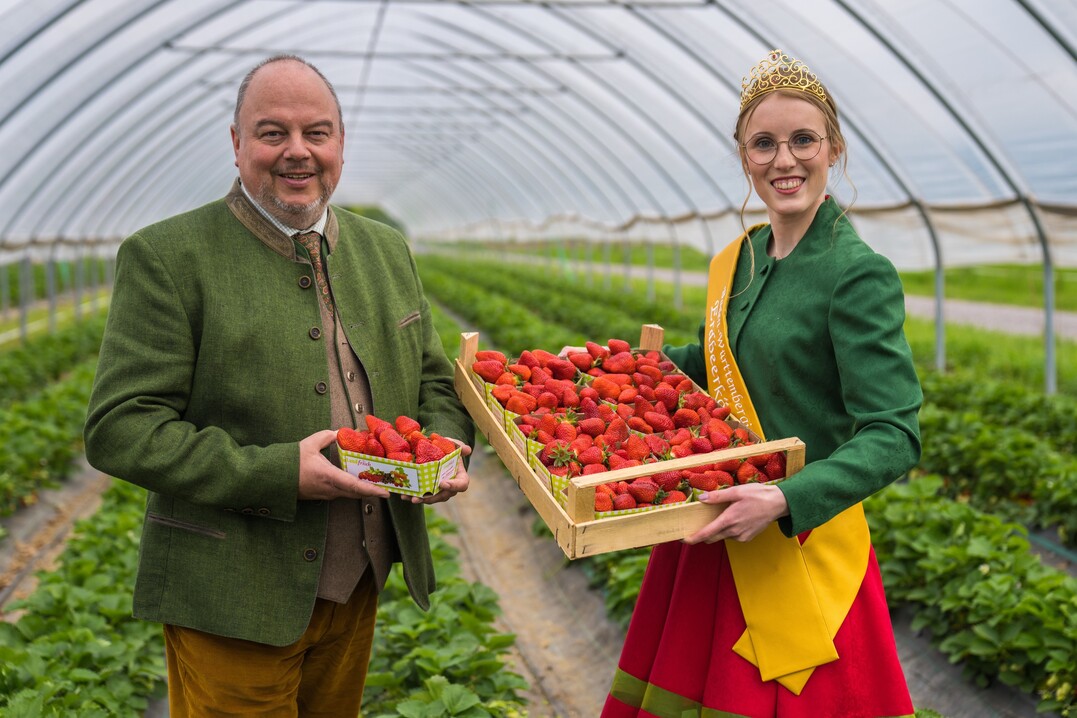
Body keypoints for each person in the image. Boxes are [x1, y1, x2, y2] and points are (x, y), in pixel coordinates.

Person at [83, 54, 475, 716]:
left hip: (359, 580)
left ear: (340, 144)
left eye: (316, 132)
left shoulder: (385, 249)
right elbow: (120, 429)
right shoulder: (169, 258)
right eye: (272, 133)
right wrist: (275, 472)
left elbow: (434, 376)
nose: (298, 152)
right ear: (237, 145)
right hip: (234, 593)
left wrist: (446, 446)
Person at [602, 49, 922, 718]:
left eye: (802, 140)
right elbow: (726, 367)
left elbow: (893, 435)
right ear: (743, 157)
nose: (784, 160)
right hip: (717, 523)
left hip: (798, 542)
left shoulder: (855, 274)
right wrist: (613, 368)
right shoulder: (741, 258)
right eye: (764, 144)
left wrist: (781, 499)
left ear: (832, 148)